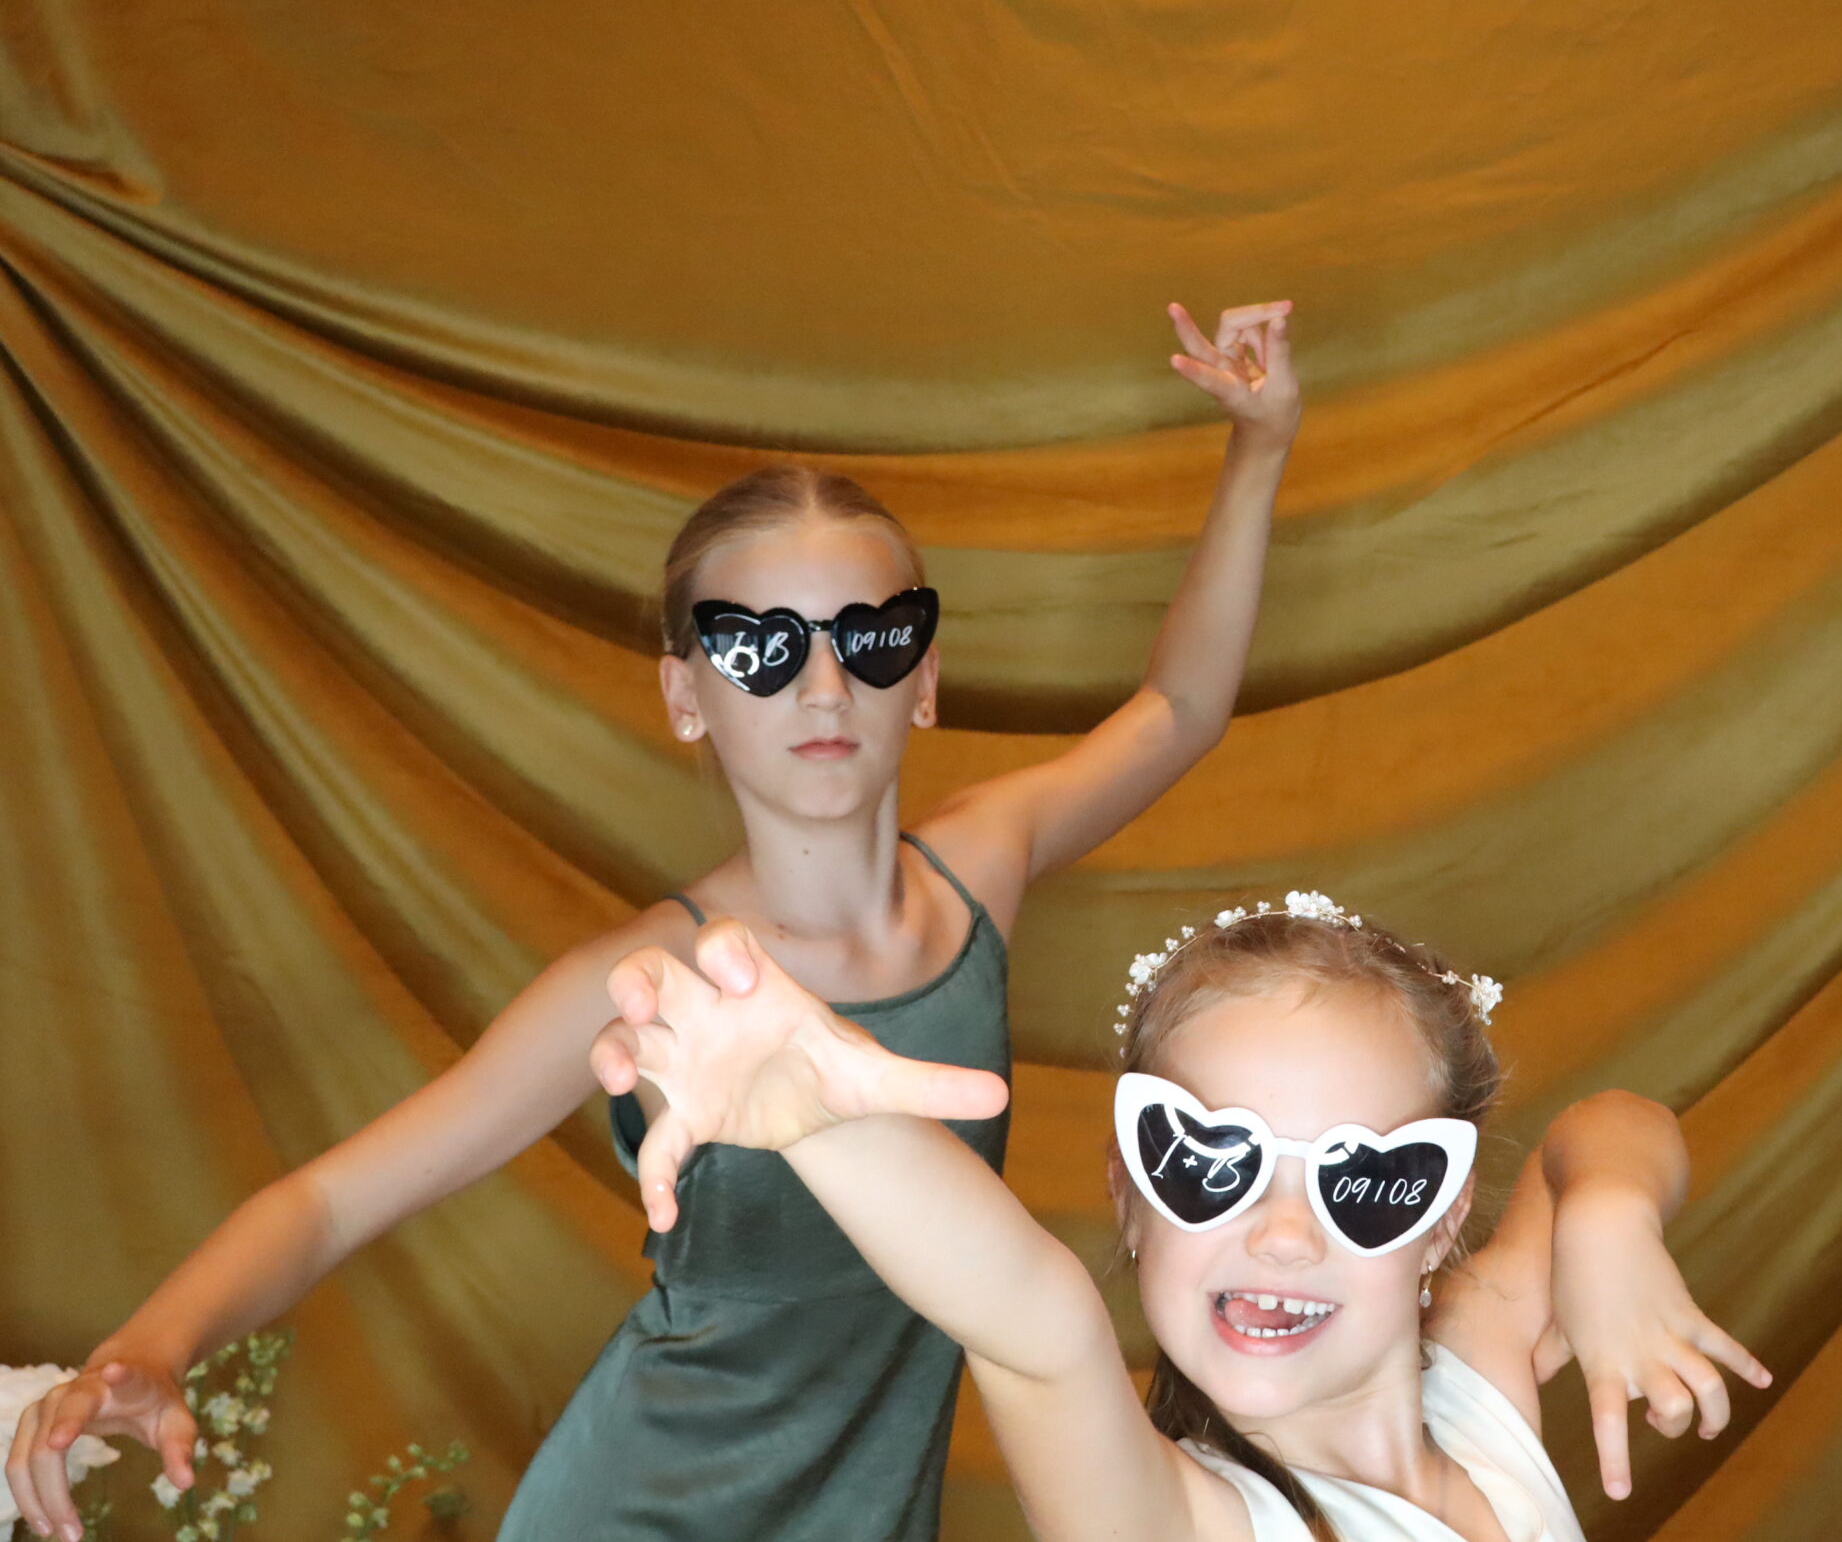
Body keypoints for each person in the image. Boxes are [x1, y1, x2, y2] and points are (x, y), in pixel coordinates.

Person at [6, 301, 1305, 1542]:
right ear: (688, 696)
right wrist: (151, 1347)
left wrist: (1258, 447)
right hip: (644, 1506)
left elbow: (1182, 708)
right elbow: (335, 1197)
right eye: (760, 647)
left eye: (870, 635)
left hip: (867, 1505)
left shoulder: (982, 868)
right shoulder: (642, 980)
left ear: (924, 677)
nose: (822, 682)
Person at [593, 891, 1774, 1541]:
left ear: (1438, 1220)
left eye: (1366, 1181)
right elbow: (1033, 1322)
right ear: (1130, 1198)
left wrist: (1610, 1219)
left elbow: (1610, 1123)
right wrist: (820, 1122)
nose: (1282, 1232)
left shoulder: (1478, 1396)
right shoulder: (1191, 1525)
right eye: (1210, 1162)